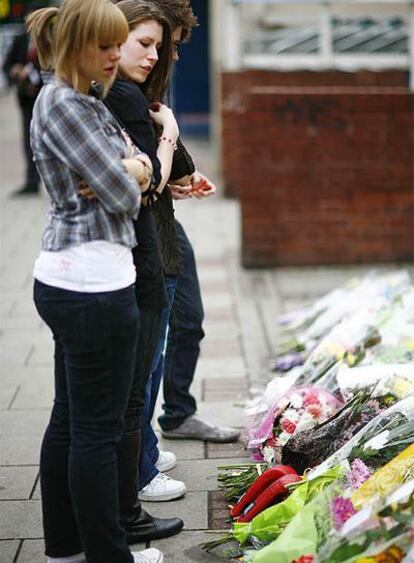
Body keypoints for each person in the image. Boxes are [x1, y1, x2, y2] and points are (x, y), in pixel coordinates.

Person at [28, 1, 163, 561]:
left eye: (117, 45)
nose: (115, 57)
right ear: (76, 45)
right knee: (97, 432)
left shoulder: (79, 100)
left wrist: (132, 166)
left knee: (73, 419)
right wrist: (130, 171)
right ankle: (109, 553)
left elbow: (137, 165)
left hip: (84, 277)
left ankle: (65, 546)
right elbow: (125, 191)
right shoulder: (70, 106)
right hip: (90, 285)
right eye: (105, 46)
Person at [103, 0, 186, 533]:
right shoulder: (118, 95)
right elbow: (149, 175)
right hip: (130, 259)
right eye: (148, 44)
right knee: (129, 387)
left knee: (132, 383)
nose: (157, 56)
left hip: (137, 251)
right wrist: (169, 133)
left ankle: (129, 488)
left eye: (164, 46)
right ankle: (129, 498)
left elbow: (154, 175)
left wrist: (156, 170)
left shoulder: (113, 93)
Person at [2, 2, 42, 196]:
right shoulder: (20, 39)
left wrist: (33, 73)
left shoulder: (48, 39)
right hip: (25, 99)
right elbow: (8, 64)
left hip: (43, 97)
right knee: (28, 140)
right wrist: (15, 72)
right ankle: (31, 181)